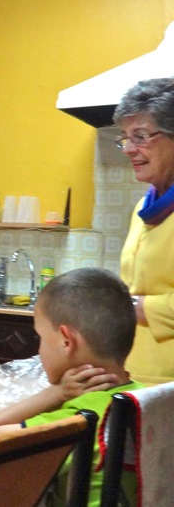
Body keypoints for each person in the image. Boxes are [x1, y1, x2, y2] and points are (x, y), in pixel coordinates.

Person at [0, 267, 143, 506]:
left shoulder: (75, 422)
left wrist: (55, 393)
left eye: (40, 337)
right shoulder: (143, 397)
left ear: (66, 340)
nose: (40, 349)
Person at [113, 77, 174, 386]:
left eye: (140, 136)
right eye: (124, 137)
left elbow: (139, 302)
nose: (128, 149)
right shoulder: (143, 208)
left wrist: (142, 308)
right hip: (134, 378)